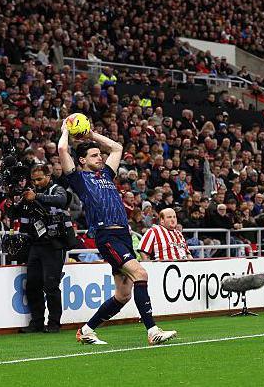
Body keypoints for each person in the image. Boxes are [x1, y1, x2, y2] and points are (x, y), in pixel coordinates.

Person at [58, 121, 176, 345]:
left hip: (123, 235)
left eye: (99, 155)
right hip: (107, 236)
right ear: (82, 160)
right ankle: (152, 331)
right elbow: (62, 149)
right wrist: (66, 129)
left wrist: (92, 134)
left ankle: (86, 330)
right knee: (140, 274)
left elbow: (117, 148)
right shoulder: (78, 179)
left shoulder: (105, 174)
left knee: (123, 295)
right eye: (94, 155)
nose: (99, 158)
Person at [17, 164, 77, 334]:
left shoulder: (57, 189)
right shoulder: (29, 193)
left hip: (54, 244)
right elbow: (19, 214)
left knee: (51, 285)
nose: (36, 183)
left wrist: (36, 196)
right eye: (34, 180)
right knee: (32, 284)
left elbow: (61, 200)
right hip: (36, 244)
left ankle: (54, 322)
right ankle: (36, 322)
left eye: (39, 179)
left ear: (48, 176)